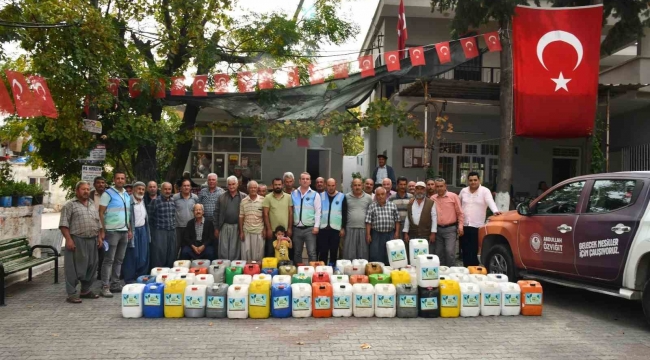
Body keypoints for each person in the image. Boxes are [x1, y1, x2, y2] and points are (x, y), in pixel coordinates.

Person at [59, 181, 103, 303]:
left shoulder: (92, 204)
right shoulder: (70, 205)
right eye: (83, 189)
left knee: (91, 266)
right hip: (76, 240)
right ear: (77, 191)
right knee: (73, 268)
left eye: (88, 189)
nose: (86, 192)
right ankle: (72, 294)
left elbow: (97, 222)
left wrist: (99, 237)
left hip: (92, 239)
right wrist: (68, 240)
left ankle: (85, 290)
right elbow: (63, 225)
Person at [98, 171, 132, 298]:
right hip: (111, 232)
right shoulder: (108, 194)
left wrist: (129, 229)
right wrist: (102, 230)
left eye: (122, 178)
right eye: (118, 178)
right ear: (114, 180)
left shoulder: (126, 195)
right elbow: (100, 213)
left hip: (124, 231)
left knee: (119, 259)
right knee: (109, 260)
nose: (120, 180)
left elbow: (127, 214)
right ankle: (105, 286)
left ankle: (115, 284)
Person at [459, 171, 501, 266]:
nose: (473, 182)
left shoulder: (485, 191)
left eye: (475, 180)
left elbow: (490, 202)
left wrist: (495, 211)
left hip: (477, 226)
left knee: (474, 249)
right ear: (467, 181)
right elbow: (458, 205)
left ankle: (473, 270)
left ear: (479, 180)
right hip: (464, 225)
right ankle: (466, 269)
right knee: (465, 249)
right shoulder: (464, 191)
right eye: (470, 180)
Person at [122, 182, 151, 284]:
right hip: (132, 231)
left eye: (143, 189)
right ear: (134, 190)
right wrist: (129, 229)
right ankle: (130, 279)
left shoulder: (143, 200)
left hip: (143, 230)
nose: (141, 191)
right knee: (132, 255)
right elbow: (125, 217)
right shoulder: (128, 201)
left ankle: (141, 277)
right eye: (139, 189)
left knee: (143, 254)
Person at [431, 178, 464, 267]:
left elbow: (460, 213)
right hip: (437, 229)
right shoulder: (433, 198)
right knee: (438, 252)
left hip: (450, 229)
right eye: (437, 186)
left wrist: (460, 226)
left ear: (445, 186)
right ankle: (441, 272)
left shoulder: (453, 196)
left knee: (449, 252)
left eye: (441, 186)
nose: (439, 188)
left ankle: (451, 271)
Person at [291, 172, 322, 264]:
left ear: (310, 182)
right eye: (303, 179)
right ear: (299, 181)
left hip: (310, 228)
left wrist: (316, 226)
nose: (305, 181)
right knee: (297, 252)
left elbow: (318, 211)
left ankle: (312, 272)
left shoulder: (315, 194)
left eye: (307, 179)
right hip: (296, 228)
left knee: (312, 252)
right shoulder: (293, 194)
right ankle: (299, 272)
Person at [214, 176, 247, 260]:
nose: (231, 186)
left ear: (237, 184)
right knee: (223, 249)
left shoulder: (244, 197)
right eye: (229, 184)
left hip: (238, 227)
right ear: (227, 185)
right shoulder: (221, 197)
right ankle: (224, 266)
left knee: (236, 249)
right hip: (224, 226)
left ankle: (234, 267)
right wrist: (216, 228)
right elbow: (216, 213)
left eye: (233, 184)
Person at [365, 187, 400, 264]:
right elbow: (368, 222)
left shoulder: (392, 205)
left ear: (386, 195)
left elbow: (397, 220)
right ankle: (376, 271)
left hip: (390, 234)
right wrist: (368, 234)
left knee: (390, 254)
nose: (380, 196)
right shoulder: (372, 206)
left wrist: (397, 232)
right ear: (376, 196)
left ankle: (388, 271)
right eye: (378, 195)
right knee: (375, 255)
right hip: (376, 234)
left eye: (382, 194)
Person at [318, 178, 347, 265]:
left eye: (333, 185)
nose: (331, 187)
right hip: (323, 228)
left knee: (334, 250)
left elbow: (344, 213)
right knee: (323, 251)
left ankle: (332, 267)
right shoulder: (320, 196)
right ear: (326, 185)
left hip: (336, 228)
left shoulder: (342, 196)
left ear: (336, 185)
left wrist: (343, 228)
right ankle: (322, 268)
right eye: (329, 185)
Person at [263, 178, 293, 259]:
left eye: (279, 184)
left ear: (282, 185)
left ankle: (284, 269)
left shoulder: (288, 197)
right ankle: (270, 270)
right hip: (272, 231)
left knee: (285, 252)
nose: (277, 186)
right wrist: (268, 229)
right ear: (272, 185)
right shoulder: (267, 197)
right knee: (270, 251)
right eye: (275, 185)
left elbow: (290, 213)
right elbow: (265, 214)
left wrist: (290, 228)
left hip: (285, 231)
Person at [403, 182, 437, 253]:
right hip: (413, 234)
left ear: (425, 190)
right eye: (417, 189)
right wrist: (406, 233)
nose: (419, 191)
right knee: (413, 254)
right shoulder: (410, 203)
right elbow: (408, 218)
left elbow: (434, 219)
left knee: (425, 254)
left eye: (422, 189)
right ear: (415, 190)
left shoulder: (431, 203)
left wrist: (433, 233)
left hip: (425, 234)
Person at [343, 178, 372, 260]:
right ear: (352, 186)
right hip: (350, 228)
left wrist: (369, 232)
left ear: (362, 185)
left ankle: (362, 271)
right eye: (355, 185)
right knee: (349, 253)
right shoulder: (346, 197)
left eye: (359, 185)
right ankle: (349, 271)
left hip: (363, 229)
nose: (357, 187)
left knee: (363, 253)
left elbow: (371, 214)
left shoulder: (368, 198)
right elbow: (343, 212)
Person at [149, 182, 177, 268]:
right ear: (161, 189)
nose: (167, 191)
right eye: (165, 189)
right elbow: (149, 217)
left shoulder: (173, 200)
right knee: (159, 253)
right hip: (160, 231)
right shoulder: (155, 201)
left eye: (169, 189)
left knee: (171, 253)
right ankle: (158, 272)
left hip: (172, 230)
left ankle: (169, 271)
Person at [239, 180, 265, 262]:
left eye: (255, 188)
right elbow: (241, 217)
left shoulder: (263, 200)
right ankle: (247, 273)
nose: (253, 189)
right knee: (246, 255)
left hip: (259, 231)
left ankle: (258, 272)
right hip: (247, 231)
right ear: (248, 189)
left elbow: (266, 216)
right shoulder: (243, 201)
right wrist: (241, 231)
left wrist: (265, 229)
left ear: (257, 189)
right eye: (251, 188)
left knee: (258, 255)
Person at [173, 179, 199, 257]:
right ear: (180, 187)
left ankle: (187, 265)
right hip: (178, 227)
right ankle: (174, 263)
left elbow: (198, 211)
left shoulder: (195, 197)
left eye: (188, 185)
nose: (186, 187)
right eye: (184, 186)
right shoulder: (175, 197)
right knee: (176, 247)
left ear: (190, 187)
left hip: (191, 227)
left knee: (188, 248)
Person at [389, 177, 413, 252]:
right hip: (396, 226)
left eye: (404, 184)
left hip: (408, 226)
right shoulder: (391, 198)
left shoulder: (411, 197)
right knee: (397, 247)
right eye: (401, 184)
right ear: (397, 185)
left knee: (408, 246)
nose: (402, 186)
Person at [89, 176, 106, 280]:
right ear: (94, 184)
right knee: (93, 252)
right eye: (98, 183)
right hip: (92, 225)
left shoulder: (109, 194)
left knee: (104, 252)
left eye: (103, 183)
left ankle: (101, 273)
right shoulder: (90, 195)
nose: (101, 185)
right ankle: (90, 273)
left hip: (105, 226)